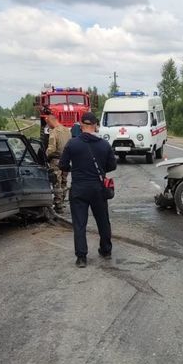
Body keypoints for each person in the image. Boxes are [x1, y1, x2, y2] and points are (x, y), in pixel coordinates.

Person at [59, 111, 117, 267]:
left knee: (79, 223)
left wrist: (75, 168)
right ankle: (105, 249)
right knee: (103, 220)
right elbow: (112, 165)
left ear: (81, 125)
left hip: (78, 188)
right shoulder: (104, 145)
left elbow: (62, 165)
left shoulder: (72, 144)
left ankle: (81, 258)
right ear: (95, 125)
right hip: (98, 188)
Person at [45, 112, 71, 212]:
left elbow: (51, 149)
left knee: (57, 183)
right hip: (67, 160)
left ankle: (58, 205)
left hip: (56, 161)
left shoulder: (54, 132)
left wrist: (44, 156)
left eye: (47, 123)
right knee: (64, 182)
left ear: (50, 121)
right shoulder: (67, 131)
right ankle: (62, 201)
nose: (48, 126)